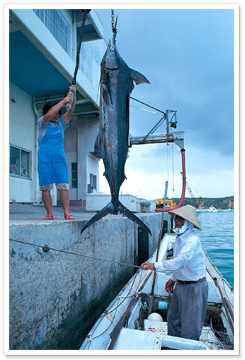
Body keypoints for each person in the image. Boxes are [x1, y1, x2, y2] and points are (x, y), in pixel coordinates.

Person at [141, 204, 208, 341]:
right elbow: (179, 265)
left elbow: (180, 261)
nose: (177, 220)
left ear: (189, 222)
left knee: (190, 327)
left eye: (181, 218)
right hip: (181, 285)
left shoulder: (193, 240)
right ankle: (173, 347)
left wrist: (154, 265)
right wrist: (173, 279)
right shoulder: (179, 238)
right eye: (176, 217)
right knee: (173, 319)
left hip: (194, 287)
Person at [37, 85, 76, 220]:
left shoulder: (61, 124)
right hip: (44, 159)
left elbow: (70, 112)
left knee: (63, 186)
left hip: (59, 159)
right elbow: (48, 115)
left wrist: (73, 96)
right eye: (55, 111)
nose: (56, 115)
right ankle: (49, 213)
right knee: (46, 187)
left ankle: (66, 212)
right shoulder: (42, 123)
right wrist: (63, 102)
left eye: (58, 113)